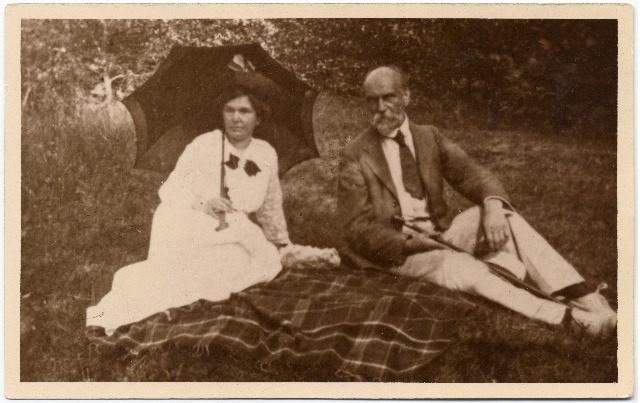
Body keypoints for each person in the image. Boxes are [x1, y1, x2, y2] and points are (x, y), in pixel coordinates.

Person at [337, 66, 616, 338]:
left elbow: (473, 174)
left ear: (406, 96)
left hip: (441, 235)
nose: (381, 107)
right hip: (399, 254)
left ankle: (589, 300)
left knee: (505, 217)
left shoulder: (428, 136)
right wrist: (410, 243)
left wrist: (493, 206)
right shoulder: (356, 153)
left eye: (388, 97)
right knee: (461, 267)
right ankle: (568, 320)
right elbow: (356, 228)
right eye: (372, 100)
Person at [86, 85, 290, 335]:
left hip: (237, 231)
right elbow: (171, 189)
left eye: (245, 111)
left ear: (258, 118)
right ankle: (107, 314)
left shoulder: (265, 152)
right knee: (184, 279)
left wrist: (281, 242)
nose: (236, 118)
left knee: (261, 263)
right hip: (196, 225)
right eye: (230, 110)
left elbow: (270, 204)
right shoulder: (204, 145)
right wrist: (205, 203)